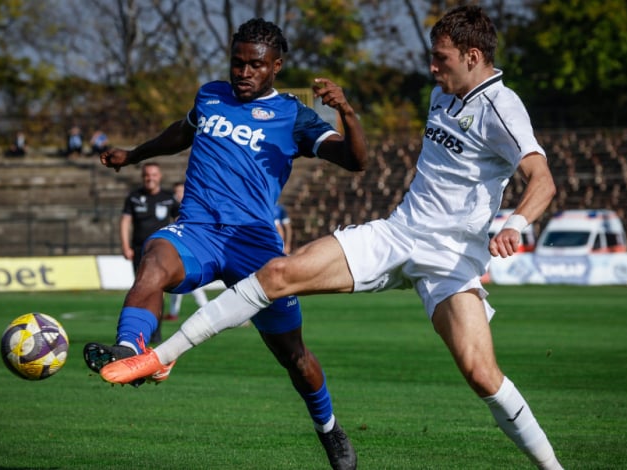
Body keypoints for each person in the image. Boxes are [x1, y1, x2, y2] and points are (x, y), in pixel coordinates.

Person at [100, 7, 562, 469]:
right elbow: (183, 131)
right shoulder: (443, 94)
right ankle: (155, 355)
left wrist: (514, 224)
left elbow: (542, 180)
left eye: (441, 58)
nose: (432, 66)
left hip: (451, 259)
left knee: (481, 375)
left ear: (472, 56)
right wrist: (134, 155)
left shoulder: (501, 107)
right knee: (276, 274)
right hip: (398, 233)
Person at [83, 18, 367, 470]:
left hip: (255, 245)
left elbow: (355, 160)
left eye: (255, 65)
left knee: (294, 356)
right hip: (197, 229)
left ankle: (329, 428)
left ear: (276, 66)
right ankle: (132, 351)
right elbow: (180, 133)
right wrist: (133, 155)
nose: (243, 72)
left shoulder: (293, 115)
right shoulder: (210, 95)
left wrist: (347, 113)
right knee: (153, 260)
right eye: (237, 63)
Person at [120, 162, 179, 342]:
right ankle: (140, 332)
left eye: (153, 174)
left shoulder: (169, 198)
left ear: (159, 176)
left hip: (162, 252)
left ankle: (156, 332)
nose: (150, 178)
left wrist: (177, 244)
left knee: (158, 290)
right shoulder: (134, 197)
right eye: (147, 175)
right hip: (139, 250)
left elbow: (180, 219)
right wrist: (125, 246)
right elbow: (125, 222)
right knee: (141, 290)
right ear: (142, 177)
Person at [166, 181, 209, 321]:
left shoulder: (192, 207)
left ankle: (206, 309)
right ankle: (173, 312)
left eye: (181, 191)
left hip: (190, 248)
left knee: (191, 279)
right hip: (177, 248)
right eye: (176, 192)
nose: (178, 194)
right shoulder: (172, 208)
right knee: (177, 280)